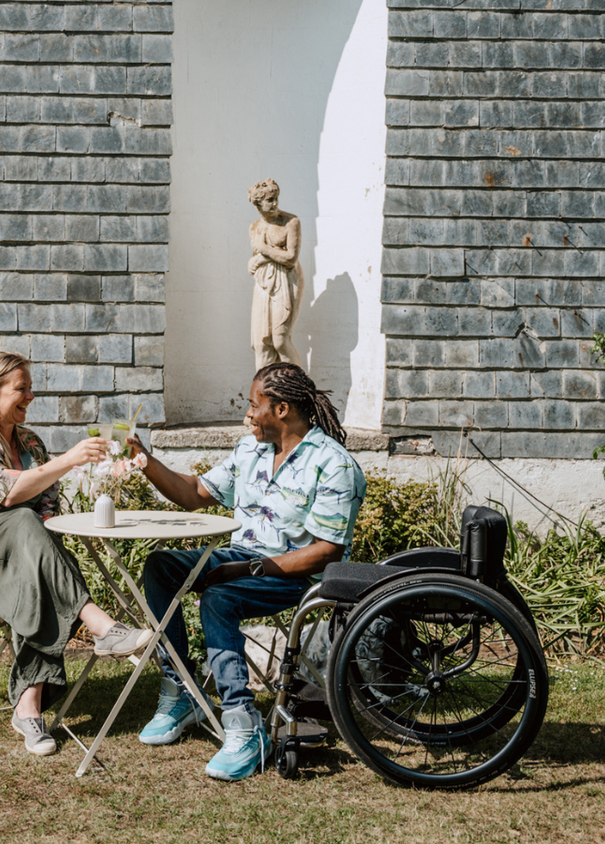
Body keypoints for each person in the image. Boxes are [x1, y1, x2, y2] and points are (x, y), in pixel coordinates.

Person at [127, 362, 366, 781]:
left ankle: (244, 726)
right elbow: (195, 493)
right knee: (160, 567)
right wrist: (143, 459)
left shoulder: (333, 464)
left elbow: (326, 552)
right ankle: (182, 689)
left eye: (254, 405)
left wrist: (251, 567)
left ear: (282, 409)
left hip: (292, 577)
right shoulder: (250, 450)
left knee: (221, 597)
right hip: (242, 559)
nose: (247, 414)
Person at [0, 351, 153, 757]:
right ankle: (99, 625)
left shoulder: (31, 443)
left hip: (7, 553)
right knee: (23, 524)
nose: (31, 396)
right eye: (21, 389)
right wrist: (68, 459)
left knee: (36, 562)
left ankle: (28, 707)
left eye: (30, 388)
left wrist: (103, 469)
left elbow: (46, 510)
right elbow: (4, 495)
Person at [247, 178, 305, 370]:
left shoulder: (291, 222)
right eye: (270, 200)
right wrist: (254, 261)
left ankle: (299, 388)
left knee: (280, 339)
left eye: (276, 198)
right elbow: (256, 259)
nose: (275, 203)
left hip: (287, 282)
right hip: (263, 284)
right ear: (258, 203)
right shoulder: (254, 228)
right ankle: (265, 392)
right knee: (262, 344)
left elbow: (290, 258)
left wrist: (264, 251)